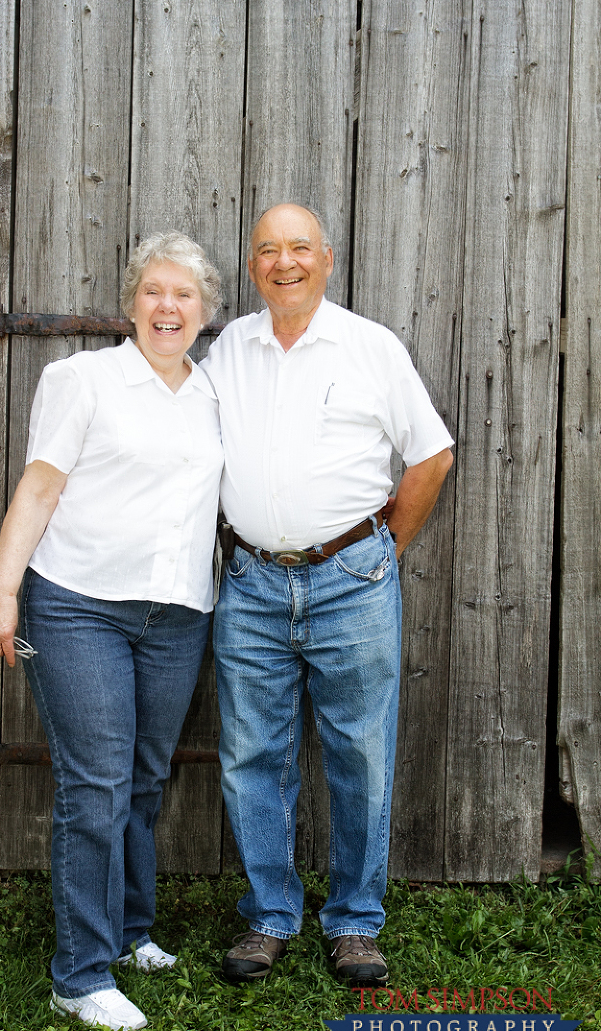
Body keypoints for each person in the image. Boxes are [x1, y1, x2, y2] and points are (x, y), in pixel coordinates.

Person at [201, 204, 453, 987]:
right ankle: (270, 915)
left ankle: (353, 922)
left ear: (327, 258)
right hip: (249, 583)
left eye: (299, 248)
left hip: (352, 582)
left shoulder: (370, 347)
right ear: (252, 267)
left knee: (361, 754)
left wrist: (376, 554)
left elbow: (431, 456)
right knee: (252, 754)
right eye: (268, 249)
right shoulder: (227, 353)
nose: (285, 262)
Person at [0, 233, 223, 1031]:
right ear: (130, 302)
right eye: (154, 290)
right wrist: (1, 591)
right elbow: (40, 489)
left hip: (178, 612)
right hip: (79, 604)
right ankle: (79, 975)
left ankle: (128, 932)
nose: (167, 307)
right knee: (97, 784)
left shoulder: (213, 394)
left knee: (146, 778)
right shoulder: (80, 379)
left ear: (205, 311)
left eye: (184, 294)